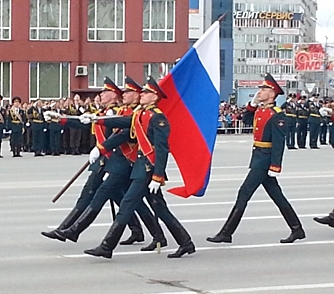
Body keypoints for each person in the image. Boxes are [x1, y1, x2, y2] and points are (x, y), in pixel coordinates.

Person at [82, 76, 195, 259]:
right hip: (140, 167)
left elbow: (162, 149)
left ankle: (107, 246)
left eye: (147, 93)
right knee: (160, 208)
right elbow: (124, 122)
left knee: (127, 204)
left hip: (148, 169)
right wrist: (97, 119)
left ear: (155, 96)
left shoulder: (158, 118)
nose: (142, 94)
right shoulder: (140, 114)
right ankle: (186, 242)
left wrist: (158, 176)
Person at [207, 74, 305, 245]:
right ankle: (297, 229)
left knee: (244, 192)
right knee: (277, 196)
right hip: (258, 156)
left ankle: (226, 233)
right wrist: (252, 106)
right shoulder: (261, 110)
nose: (260, 91)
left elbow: (278, 143)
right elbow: (245, 120)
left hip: (265, 160)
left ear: (273, 93)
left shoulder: (277, 115)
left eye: (264, 89)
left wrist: (275, 166)